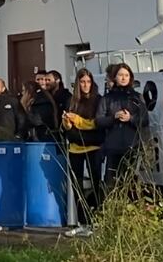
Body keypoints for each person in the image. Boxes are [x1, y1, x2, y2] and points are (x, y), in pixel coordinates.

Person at [61, 68, 105, 237]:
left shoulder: (98, 101)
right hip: (75, 147)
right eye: (82, 82)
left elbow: (95, 124)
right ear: (78, 84)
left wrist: (78, 121)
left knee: (95, 184)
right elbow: (66, 129)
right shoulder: (72, 101)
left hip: (93, 147)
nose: (85, 85)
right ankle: (82, 222)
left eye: (88, 82)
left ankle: (97, 220)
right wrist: (67, 123)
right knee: (77, 186)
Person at [95, 63, 148, 192]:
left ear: (130, 78)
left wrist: (131, 118)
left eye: (126, 75)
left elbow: (145, 120)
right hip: (113, 147)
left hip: (132, 147)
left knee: (131, 186)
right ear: (115, 77)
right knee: (111, 186)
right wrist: (114, 118)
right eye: (120, 75)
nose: (123, 78)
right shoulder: (107, 99)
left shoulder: (137, 97)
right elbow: (99, 120)